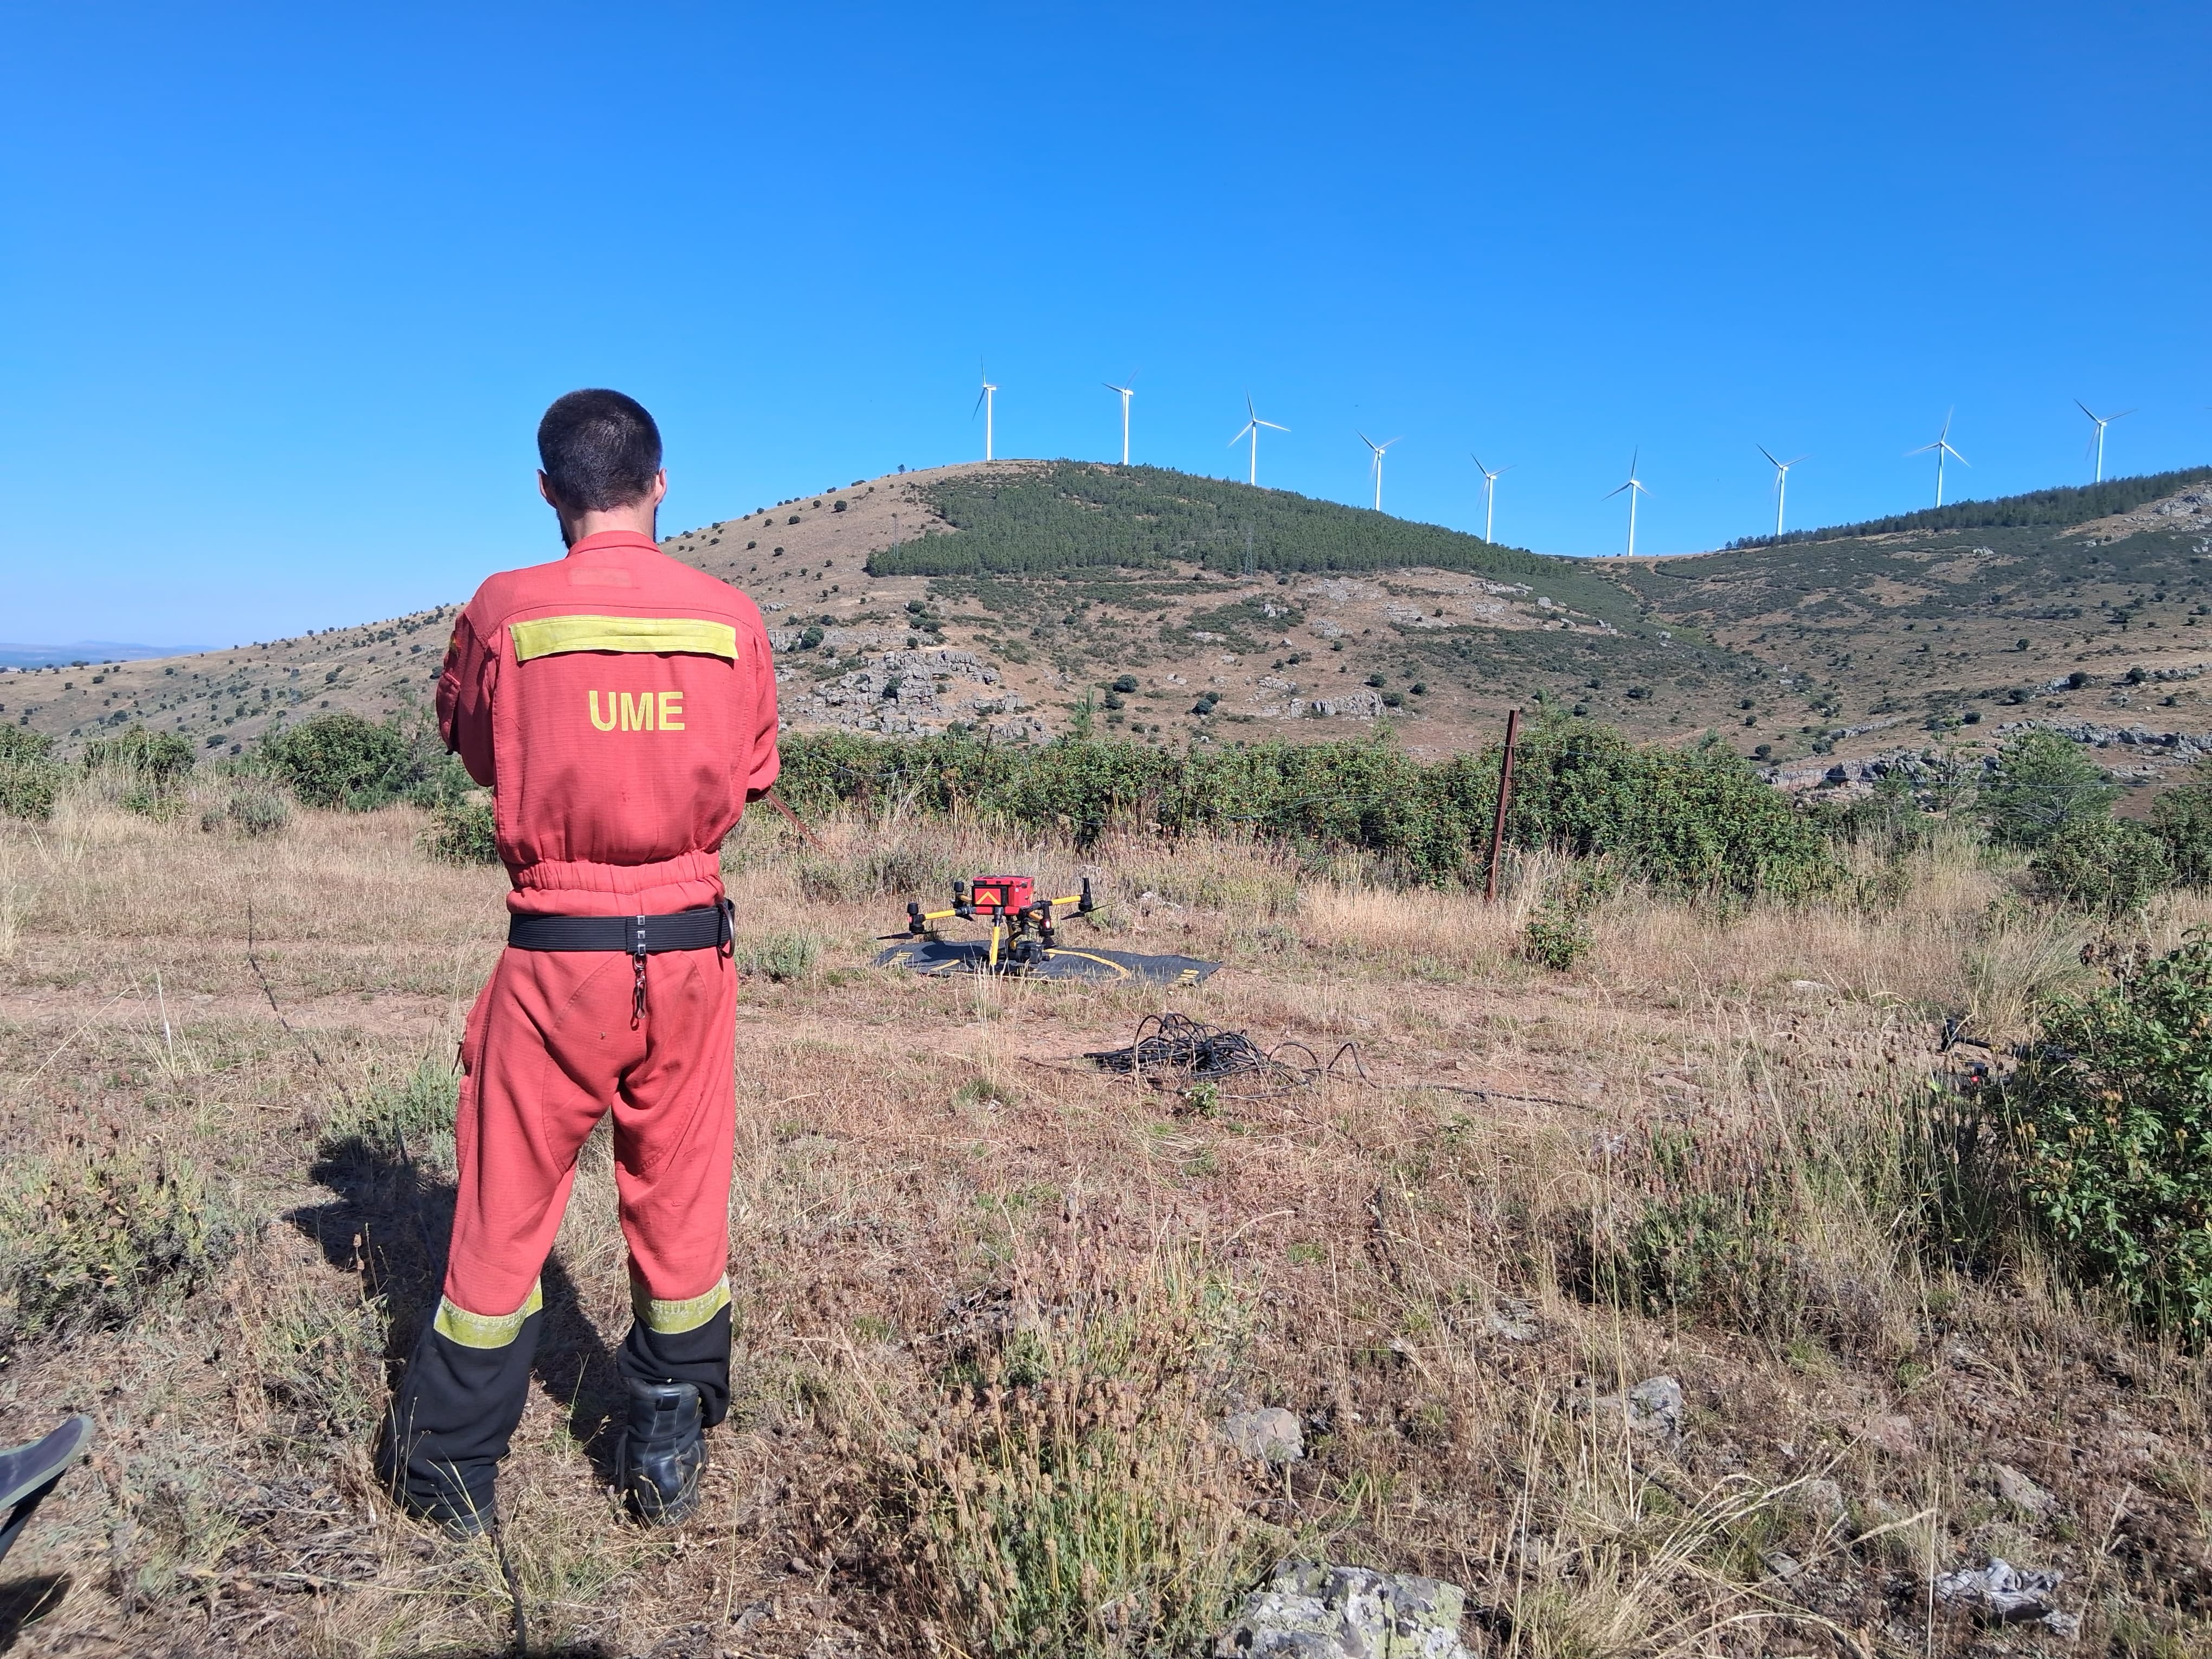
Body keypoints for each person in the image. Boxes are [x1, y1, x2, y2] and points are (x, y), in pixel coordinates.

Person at [379, 390, 780, 1534]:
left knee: (505, 1206)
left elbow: (471, 747)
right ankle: (668, 1442)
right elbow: (752, 776)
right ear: (661, 485)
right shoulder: (730, 616)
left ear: (549, 492)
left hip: (558, 950)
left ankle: (451, 1476)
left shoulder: (506, 608)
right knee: (684, 1196)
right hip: (693, 948)